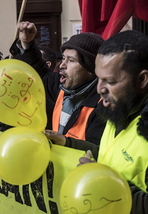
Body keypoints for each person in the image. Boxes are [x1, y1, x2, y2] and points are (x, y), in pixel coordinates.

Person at [46, 30, 148, 214]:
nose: (100, 89)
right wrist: (68, 142)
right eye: (98, 78)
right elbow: (109, 156)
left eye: (109, 81)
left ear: (142, 79)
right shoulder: (116, 112)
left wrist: (102, 181)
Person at [10, 21, 106, 145]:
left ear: (90, 68)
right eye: (63, 58)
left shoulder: (104, 103)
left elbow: (98, 150)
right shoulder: (61, 86)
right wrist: (27, 44)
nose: (62, 65)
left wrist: (66, 142)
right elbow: (40, 73)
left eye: (71, 60)